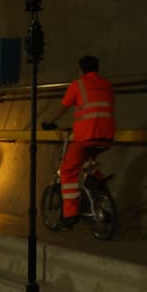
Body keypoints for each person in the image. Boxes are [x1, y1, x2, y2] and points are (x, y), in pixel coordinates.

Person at [46, 55, 116, 228]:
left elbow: (64, 107)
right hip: (107, 137)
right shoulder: (107, 85)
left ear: (81, 69)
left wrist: (50, 122)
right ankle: (96, 183)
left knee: (68, 170)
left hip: (86, 137)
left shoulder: (78, 85)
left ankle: (70, 215)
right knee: (89, 162)